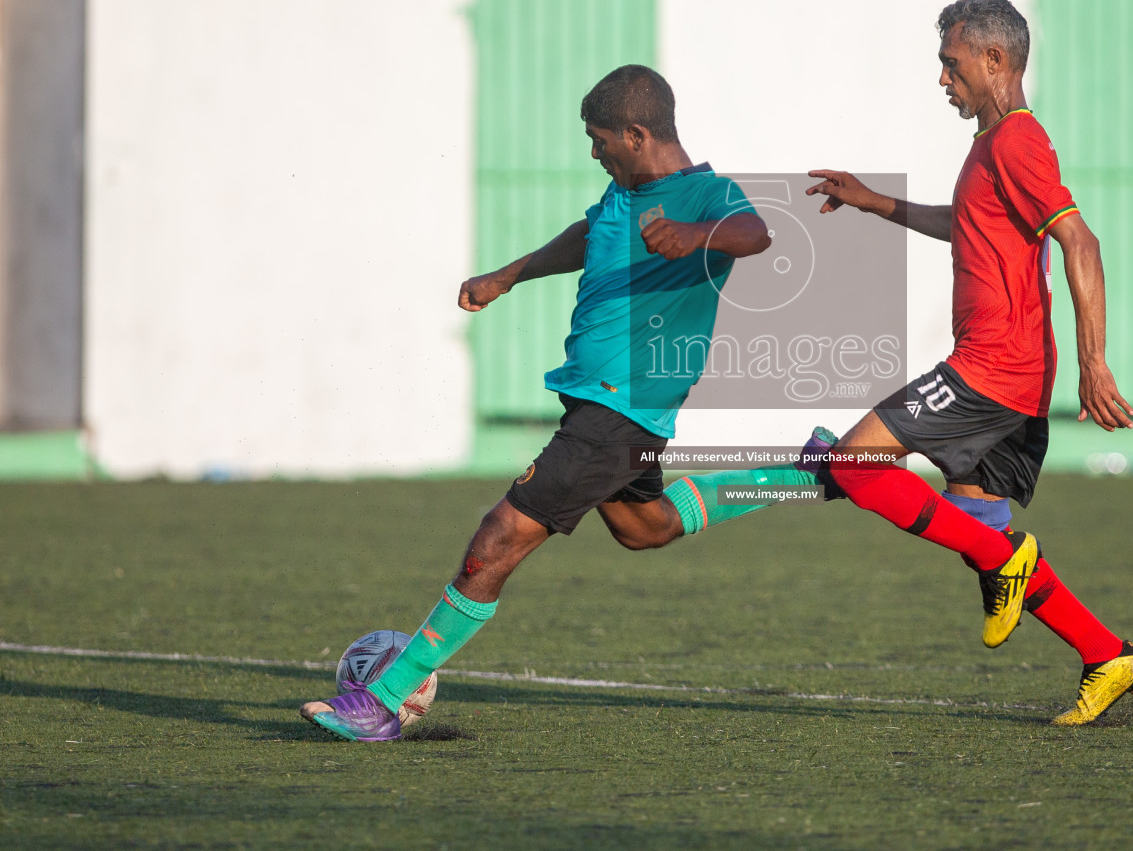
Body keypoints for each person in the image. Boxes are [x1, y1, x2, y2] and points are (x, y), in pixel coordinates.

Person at [301, 65, 837, 741]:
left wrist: (697, 237)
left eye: (599, 138)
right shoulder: (622, 192)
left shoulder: (706, 193)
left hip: (619, 408)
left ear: (636, 134)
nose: (594, 151)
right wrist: (508, 275)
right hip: (605, 407)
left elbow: (755, 234)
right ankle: (812, 473)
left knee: (497, 539)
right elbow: (588, 239)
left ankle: (383, 702)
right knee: (644, 528)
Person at [805, 0, 1133, 726]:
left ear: (995, 60)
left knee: (853, 465)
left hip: (993, 369)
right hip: (1014, 374)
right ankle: (1104, 654)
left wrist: (1096, 363)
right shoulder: (991, 145)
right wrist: (876, 203)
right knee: (978, 528)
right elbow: (966, 227)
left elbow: (1080, 243)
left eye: (950, 62)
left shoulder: (1018, 142)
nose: (942, 79)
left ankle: (1005, 561)